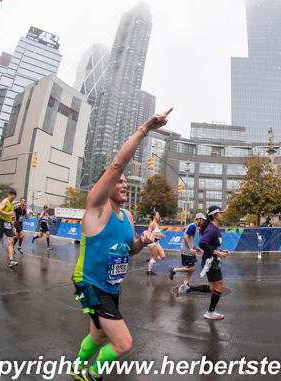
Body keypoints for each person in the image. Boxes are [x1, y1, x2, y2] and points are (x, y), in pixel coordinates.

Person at [70, 108, 171, 381]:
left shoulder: (127, 216)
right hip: (91, 283)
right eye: (121, 182)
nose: (125, 184)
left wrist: (142, 240)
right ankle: (90, 374)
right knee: (123, 344)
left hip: (111, 285)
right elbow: (117, 165)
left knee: (99, 334)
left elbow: (131, 250)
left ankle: (77, 364)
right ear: (109, 185)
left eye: (127, 182)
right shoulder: (96, 207)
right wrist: (145, 129)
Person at [199, 206, 229, 320]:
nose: (222, 214)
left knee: (213, 288)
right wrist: (217, 252)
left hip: (210, 261)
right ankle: (210, 312)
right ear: (213, 215)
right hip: (210, 262)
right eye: (220, 213)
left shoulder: (214, 228)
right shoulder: (211, 229)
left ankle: (189, 288)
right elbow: (202, 244)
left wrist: (221, 251)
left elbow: (211, 245)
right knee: (219, 287)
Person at [169, 212, 205, 293]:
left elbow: (190, 239)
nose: (203, 222)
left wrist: (195, 247)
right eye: (202, 220)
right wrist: (190, 248)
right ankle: (174, 270)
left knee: (192, 267)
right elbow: (185, 237)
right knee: (192, 267)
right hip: (186, 250)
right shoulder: (192, 226)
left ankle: (186, 282)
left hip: (189, 249)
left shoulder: (194, 227)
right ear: (198, 219)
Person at [0, 189, 18, 268]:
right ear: (9, 195)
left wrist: (12, 220)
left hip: (8, 223)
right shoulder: (5, 201)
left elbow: (12, 213)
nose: (13, 199)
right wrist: (8, 213)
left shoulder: (12, 203)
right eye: (12, 198)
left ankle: (11, 261)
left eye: (14, 198)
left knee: (10, 240)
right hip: (2, 222)